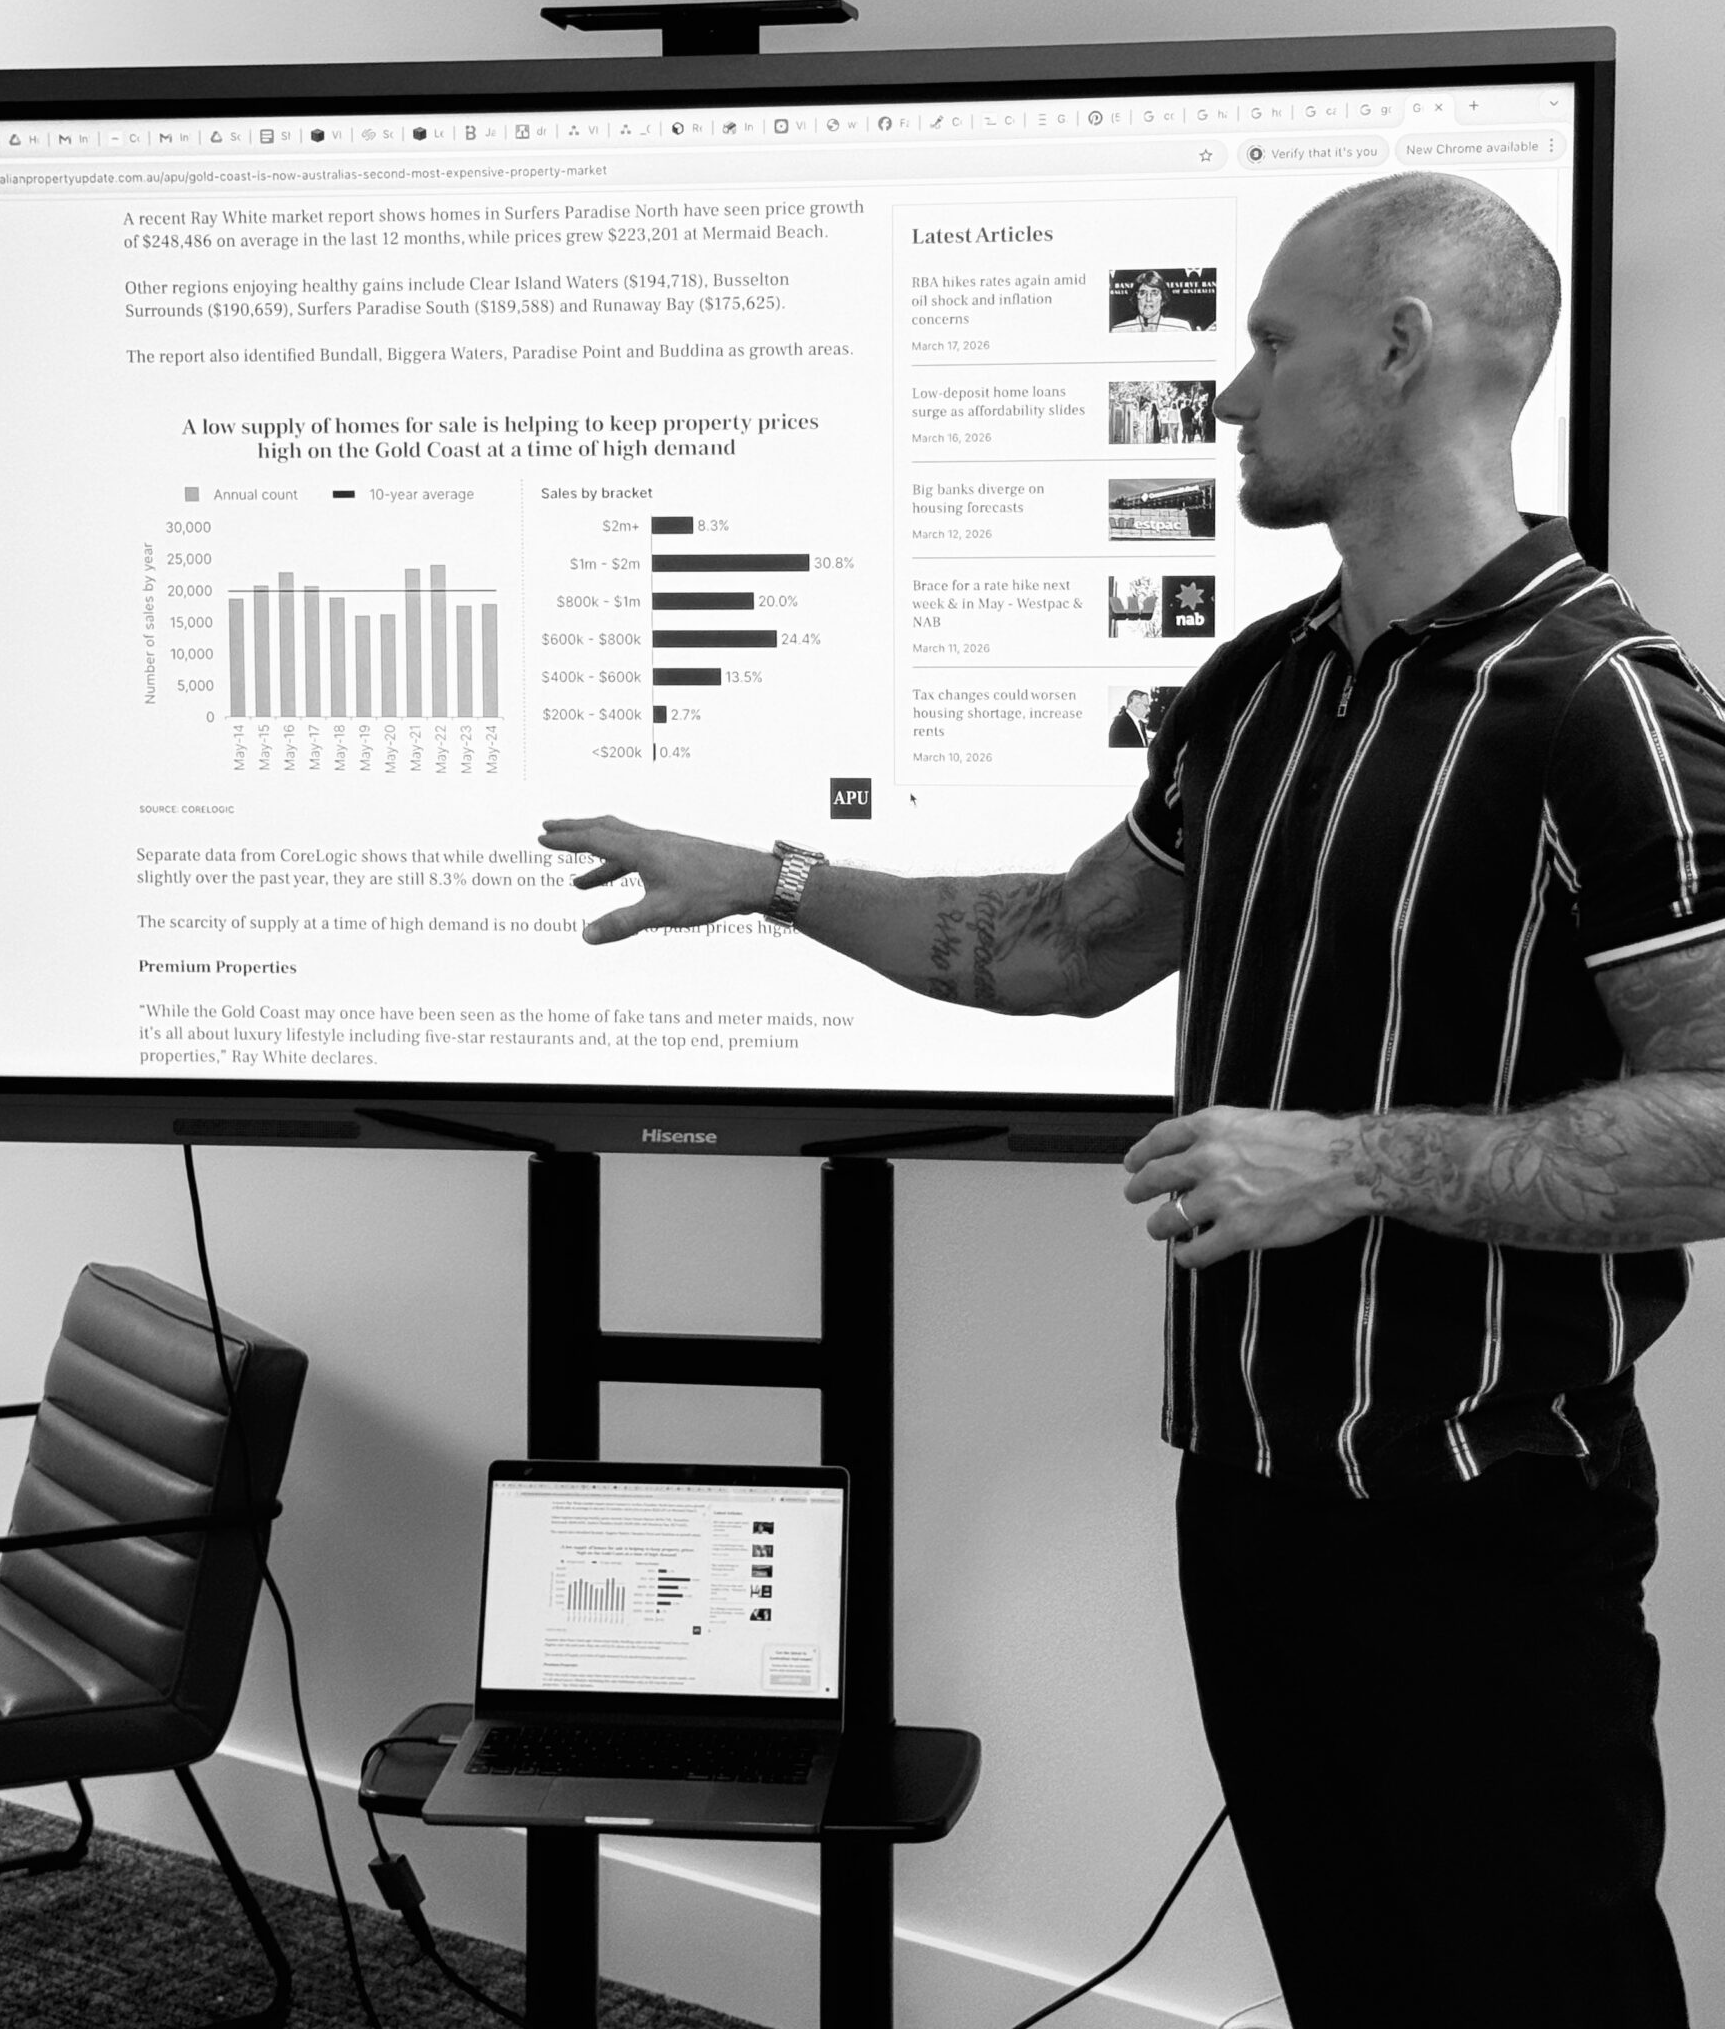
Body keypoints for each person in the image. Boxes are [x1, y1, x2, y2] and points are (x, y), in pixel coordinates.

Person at [542, 170, 1725, 2028]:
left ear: (1400, 349)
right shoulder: (1258, 688)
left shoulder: (1607, 707)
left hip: (1486, 1516)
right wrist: (771, 879)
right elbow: (1061, 947)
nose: (1230, 392)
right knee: (1352, 1981)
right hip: (1250, 1501)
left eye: (1268, 342)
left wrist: (1356, 1159)